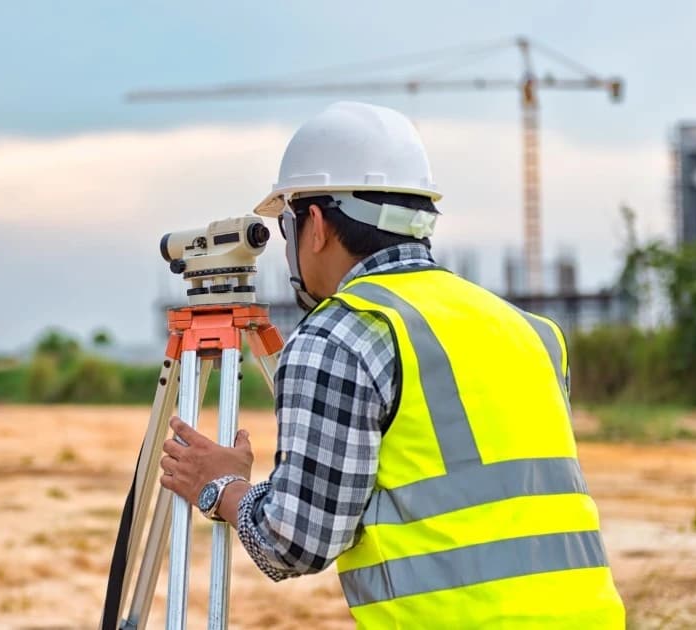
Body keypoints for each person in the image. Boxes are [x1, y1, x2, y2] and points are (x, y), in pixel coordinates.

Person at [158, 101, 625, 628]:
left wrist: (222, 489)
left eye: (287, 225)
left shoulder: (340, 334)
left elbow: (295, 543)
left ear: (314, 224)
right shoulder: (529, 329)